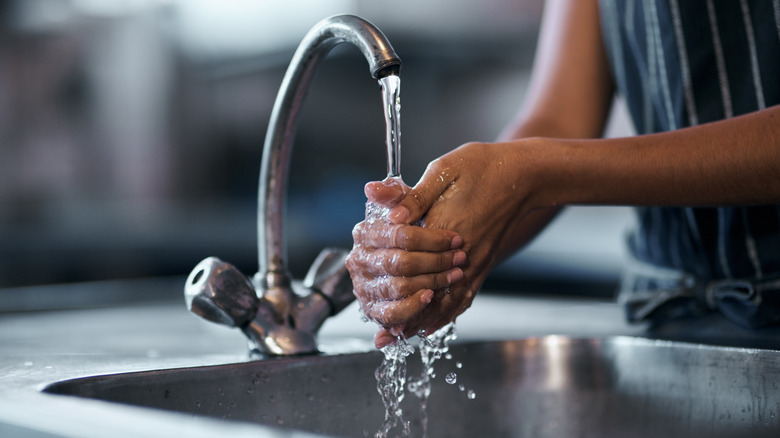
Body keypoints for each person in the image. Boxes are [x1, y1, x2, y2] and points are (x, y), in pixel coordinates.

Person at [346, 0, 780, 348]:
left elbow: (542, 162)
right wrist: (426, 252)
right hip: (667, 318)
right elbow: (560, 119)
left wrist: (537, 171)